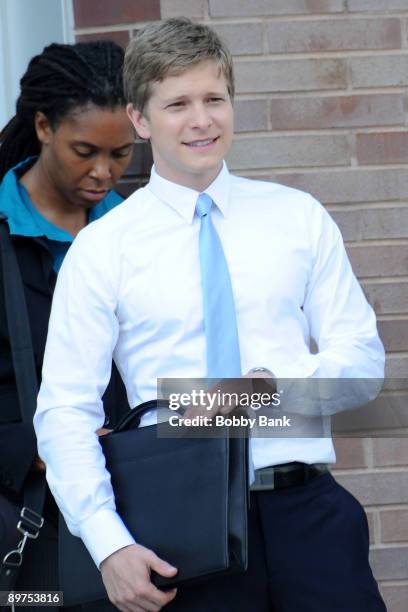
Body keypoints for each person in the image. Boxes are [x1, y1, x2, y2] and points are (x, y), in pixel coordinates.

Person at [35, 19, 387, 612]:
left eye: (214, 99)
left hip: (306, 515)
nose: (201, 120)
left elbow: (364, 364)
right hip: (178, 531)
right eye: (177, 104)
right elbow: (66, 409)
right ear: (140, 120)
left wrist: (273, 391)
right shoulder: (104, 248)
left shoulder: (297, 218)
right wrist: (107, 544)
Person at [0, 40, 134, 608]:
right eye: (85, 150)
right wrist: (32, 446)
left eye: (123, 154)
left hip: (132, 504)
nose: (103, 172)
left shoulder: (141, 235)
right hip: (22, 515)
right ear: (43, 126)